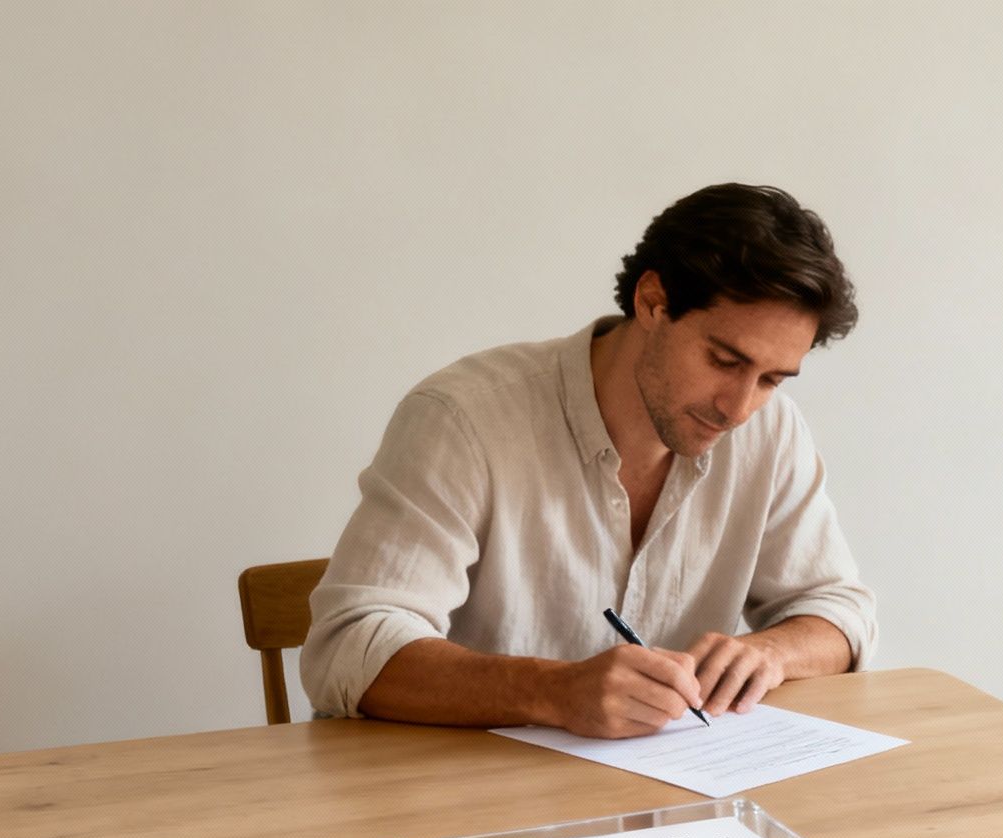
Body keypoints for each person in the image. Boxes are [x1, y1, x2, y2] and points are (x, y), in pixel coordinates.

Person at [301, 184, 876, 738]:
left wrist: (768, 652)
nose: (739, 408)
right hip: (460, 799)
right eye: (724, 360)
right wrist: (554, 691)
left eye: (772, 379)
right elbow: (350, 647)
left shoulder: (770, 432)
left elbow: (840, 612)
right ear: (652, 302)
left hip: (666, 808)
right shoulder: (464, 420)